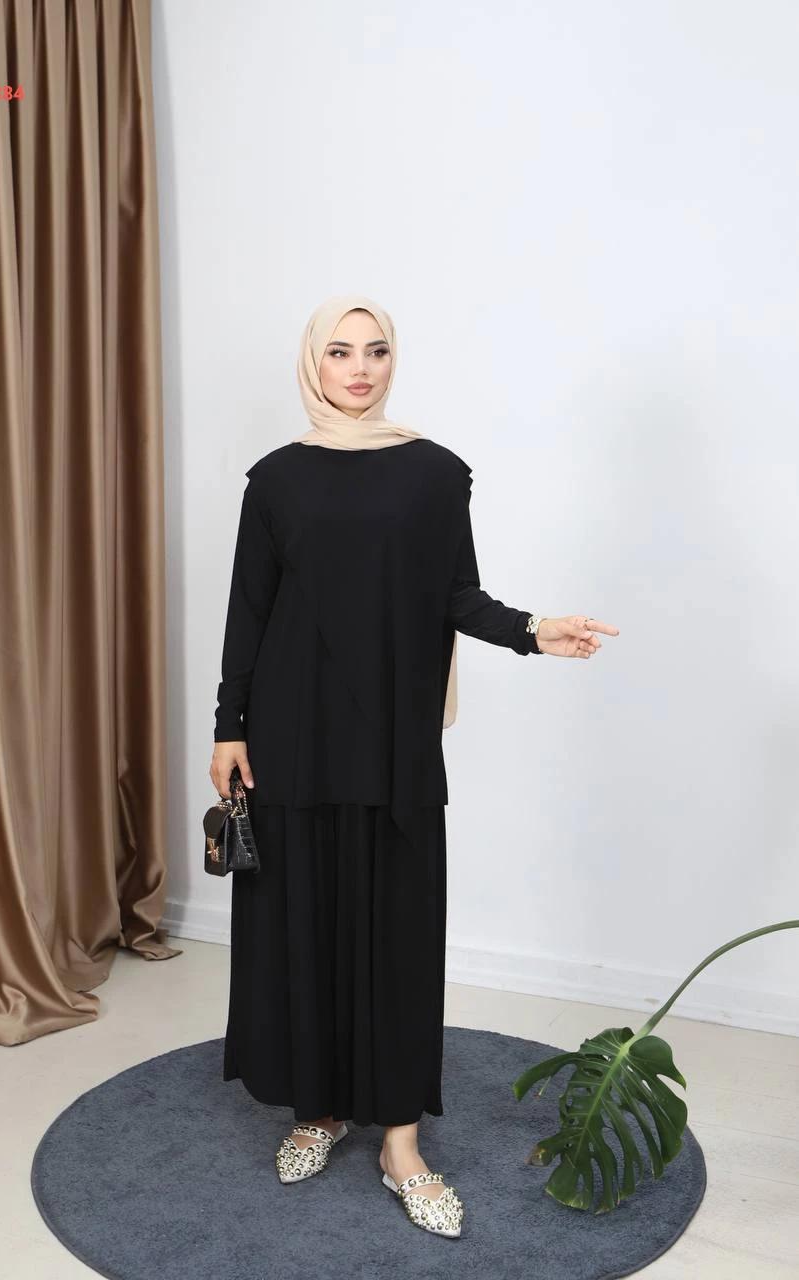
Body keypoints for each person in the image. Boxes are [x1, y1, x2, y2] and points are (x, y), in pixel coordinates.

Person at [209, 294, 620, 1239]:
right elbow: (249, 610)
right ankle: (318, 1108)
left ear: (395, 361)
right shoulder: (275, 479)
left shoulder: (435, 473)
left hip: (391, 735)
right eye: (340, 351)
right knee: (307, 919)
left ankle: (400, 1142)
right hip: (293, 734)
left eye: (376, 350)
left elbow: (454, 596)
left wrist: (532, 630)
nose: (359, 368)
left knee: (396, 928)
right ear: (313, 363)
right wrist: (229, 727)